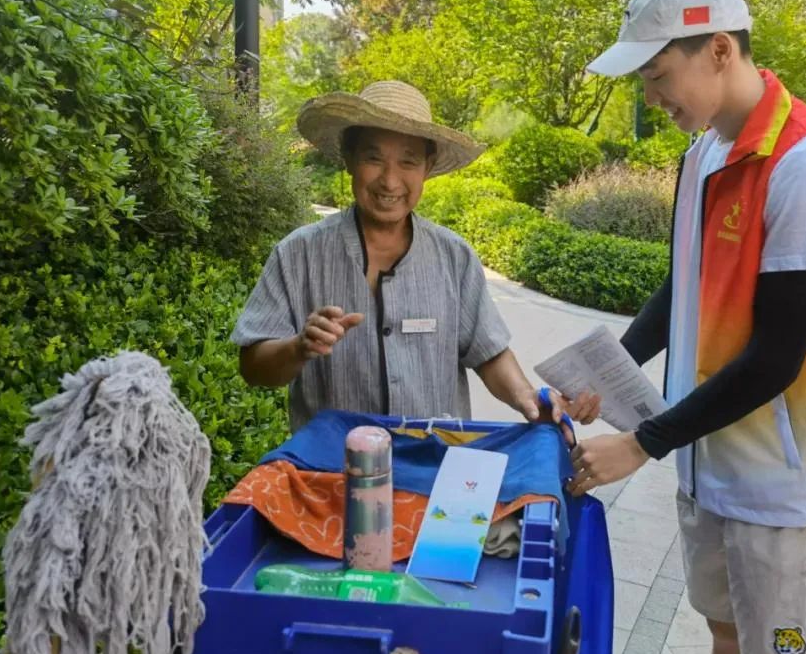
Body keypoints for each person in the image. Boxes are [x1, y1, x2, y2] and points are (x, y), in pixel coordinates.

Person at [569, 0, 806, 654]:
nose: (650, 97)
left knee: (789, 649)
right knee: (726, 631)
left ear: (719, 50)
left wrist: (643, 441)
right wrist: (611, 367)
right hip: (715, 474)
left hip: (794, 500)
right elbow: (685, 284)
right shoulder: (706, 151)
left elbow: (778, 356)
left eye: (657, 75)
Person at [232, 80, 598, 435]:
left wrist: (528, 399)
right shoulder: (299, 254)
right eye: (373, 158)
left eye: (408, 162)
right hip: (330, 474)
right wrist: (298, 348)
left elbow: (488, 352)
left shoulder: (454, 257)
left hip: (434, 471)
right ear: (348, 159)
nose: (390, 181)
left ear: (427, 167)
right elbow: (253, 367)